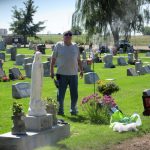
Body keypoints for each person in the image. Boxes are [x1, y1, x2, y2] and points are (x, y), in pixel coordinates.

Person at [50, 30, 83, 115]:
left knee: (74, 95)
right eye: (66, 35)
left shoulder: (75, 46)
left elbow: (79, 60)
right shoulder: (58, 45)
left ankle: (73, 110)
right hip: (61, 74)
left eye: (70, 35)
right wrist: (51, 71)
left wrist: (81, 70)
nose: (68, 36)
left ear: (72, 37)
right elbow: (53, 59)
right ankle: (60, 111)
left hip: (73, 74)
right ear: (63, 37)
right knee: (60, 95)